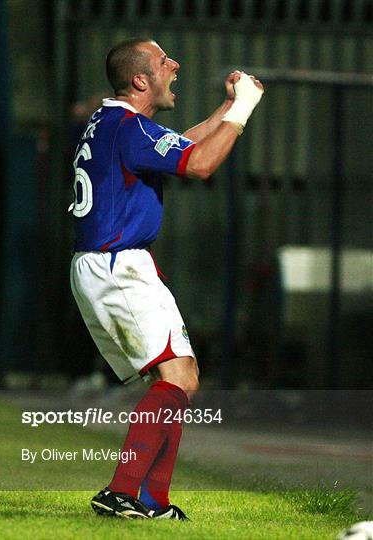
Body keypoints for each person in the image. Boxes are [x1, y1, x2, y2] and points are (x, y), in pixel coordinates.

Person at [70, 37, 264, 520]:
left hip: (108, 263)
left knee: (180, 375)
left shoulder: (114, 122)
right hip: (118, 264)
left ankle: (153, 502)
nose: (174, 64)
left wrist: (228, 105)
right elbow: (199, 163)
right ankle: (121, 493)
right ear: (141, 80)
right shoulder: (127, 127)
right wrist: (242, 111)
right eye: (163, 61)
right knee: (177, 375)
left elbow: (182, 145)